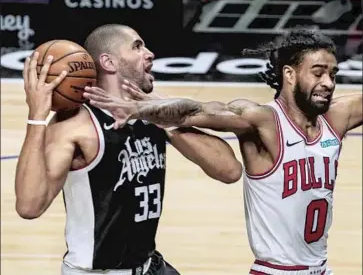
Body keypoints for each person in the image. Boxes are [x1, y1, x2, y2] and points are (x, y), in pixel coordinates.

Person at [83, 28, 363, 275]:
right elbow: (199, 110)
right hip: (276, 271)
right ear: (289, 74)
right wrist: (140, 109)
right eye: (318, 73)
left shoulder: (338, 116)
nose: (328, 82)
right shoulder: (262, 119)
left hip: (323, 268)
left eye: (332, 74)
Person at [15, 24, 243, 275]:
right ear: (108, 62)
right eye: (137, 46)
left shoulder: (153, 111)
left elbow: (229, 171)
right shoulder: (75, 125)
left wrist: (165, 118)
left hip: (150, 266)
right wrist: (36, 117)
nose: (149, 53)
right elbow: (29, 206)